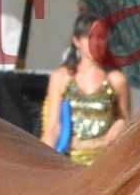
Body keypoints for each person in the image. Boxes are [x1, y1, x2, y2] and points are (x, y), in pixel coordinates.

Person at [41, 12, 130, 166]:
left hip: (105, 161)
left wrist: (120, 125)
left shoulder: (116, 79)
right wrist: (42, 162)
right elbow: (52, 127)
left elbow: (126, 119)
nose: (95, 43)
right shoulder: (62, 77)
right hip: (69, 159)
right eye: (89, 37)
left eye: (101, 37)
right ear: (77, 41)